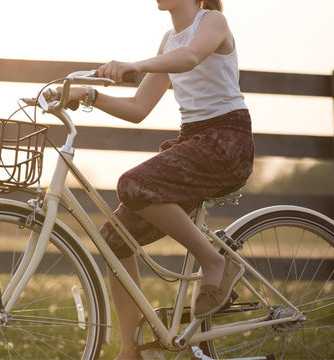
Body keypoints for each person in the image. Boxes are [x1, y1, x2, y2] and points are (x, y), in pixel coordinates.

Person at [47, 0, 254, 358]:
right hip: (193, 142)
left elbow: (190, 58)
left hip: (226, 143)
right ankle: (132, 351)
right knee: (114, 239)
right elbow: (138, 109)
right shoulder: (168, 40)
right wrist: (89, 94)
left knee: (132, 183)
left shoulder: (213, 22)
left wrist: (135, 64)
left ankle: (215, 262)